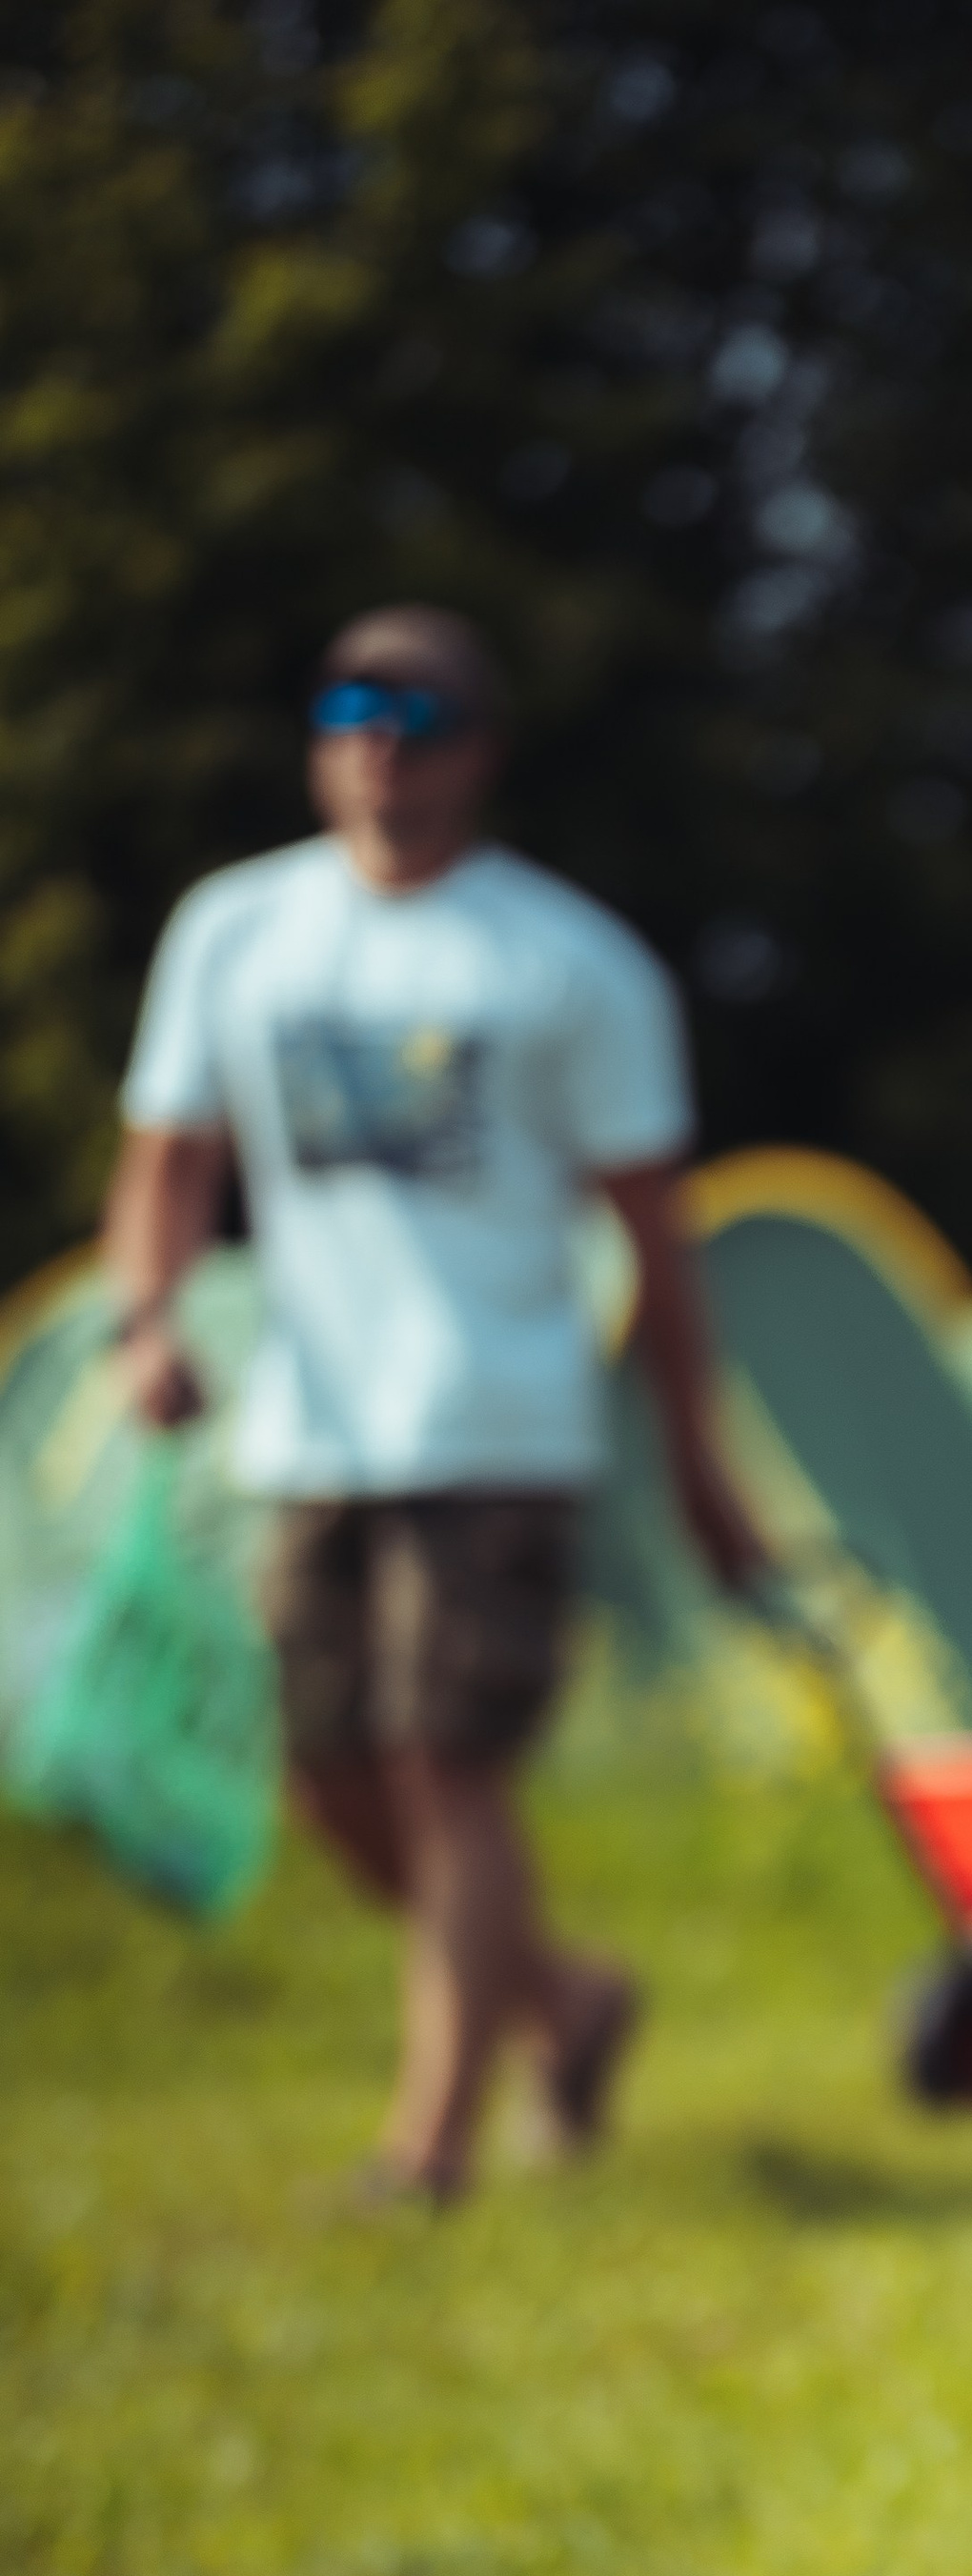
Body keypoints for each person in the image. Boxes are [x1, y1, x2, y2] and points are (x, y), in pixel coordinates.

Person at [105, 603, 763, 2203]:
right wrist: (145, 1317)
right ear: (319, 735)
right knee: (333, 1779)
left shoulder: (566, 963)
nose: (381, 737)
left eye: (420, 711)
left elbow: (656, 1245)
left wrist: (695, 1460)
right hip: (308, 1430)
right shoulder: (235, 933)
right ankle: (565, 1995)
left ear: (481, 749)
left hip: (498, 1427)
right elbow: (169, 1165)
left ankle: (430, 2145)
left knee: (444, 1768)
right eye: (349, 706)